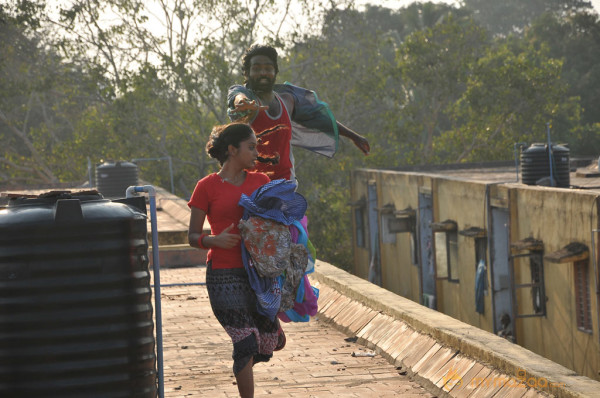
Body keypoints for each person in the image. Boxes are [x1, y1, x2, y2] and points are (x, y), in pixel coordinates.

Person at [187, 122, 284, 398]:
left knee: (265, 342)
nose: (257, 152)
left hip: (258, 275)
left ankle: (263, 342)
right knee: (244, 343)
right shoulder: (206, 187)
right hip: (222, 275)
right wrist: (212, 240)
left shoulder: (261, 182)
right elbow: (192, 236)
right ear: (232, 150)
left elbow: (274, 222)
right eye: (251, 147)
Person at [227, 44, 370, 182]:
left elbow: (320, 119)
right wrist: (242, 102)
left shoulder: (287, 100)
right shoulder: (244, 96)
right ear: (246, 73)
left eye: (268, 68)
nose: (263, 73)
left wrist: (353, 136)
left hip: (284, 184)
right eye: (256, 69)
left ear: (275, 72)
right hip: (248, 186)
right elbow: (238, 96)